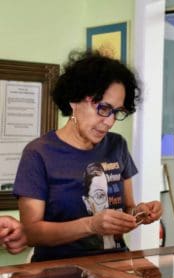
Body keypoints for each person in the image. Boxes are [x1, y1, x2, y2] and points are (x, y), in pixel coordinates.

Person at [13, 50, 163, 262]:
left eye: (117, 112)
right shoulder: (39, 153)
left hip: (116, 272)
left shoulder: (117, 145)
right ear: (74, 100)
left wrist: (140, 212)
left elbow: (127, 208)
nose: (109, 121)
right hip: (59, 277)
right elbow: (31, 233)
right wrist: (91, 225)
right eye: (103, 108)